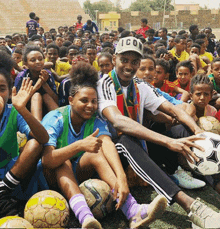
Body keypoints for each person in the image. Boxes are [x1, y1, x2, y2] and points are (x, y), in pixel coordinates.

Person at [97, 36, 220, 228]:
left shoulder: (140, 85)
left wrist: (197, 131)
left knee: (182, 129)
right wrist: (166, 141)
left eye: (135, 61)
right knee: (125, 140)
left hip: (140, 146)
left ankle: (214, 182)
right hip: (111, 154)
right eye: (124, 60)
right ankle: (192, 207)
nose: (129, 65)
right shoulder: (104, 84)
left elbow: (173, 108)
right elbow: (118, 122)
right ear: (114, 59)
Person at [42, 61, 167, 229]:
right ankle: (85, 217)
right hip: (50, 179)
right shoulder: (55, 117)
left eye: (94, 101)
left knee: (96, 154)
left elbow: (107, 145)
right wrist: (79, 146)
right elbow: (47, 161)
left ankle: (133, 210)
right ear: (71, 100)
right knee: (62, 161)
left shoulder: (96, 120)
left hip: (77, 176)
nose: (90, 106)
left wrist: (121, 178)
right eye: (84, 100)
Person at [0, 50, 49, 218]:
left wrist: (22, 109)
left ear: (8, 92)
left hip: (10, 175)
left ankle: (3, 191)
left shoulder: (12, 111)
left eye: (1, 89)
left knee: (34, 143)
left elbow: (43, 138)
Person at [14, 45, 58, 121]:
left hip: (46, 109)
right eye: (33, 60)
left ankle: (60, 122)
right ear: (26, 63)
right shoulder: (22, 76)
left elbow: (56, 100)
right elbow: (19, 103)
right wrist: (38, 84)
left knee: (46, 96)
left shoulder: (48, 74)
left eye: (40, 59)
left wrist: (44, 84)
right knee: (36, 96)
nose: (38, 62)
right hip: (27, 109)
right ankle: (37, 127)